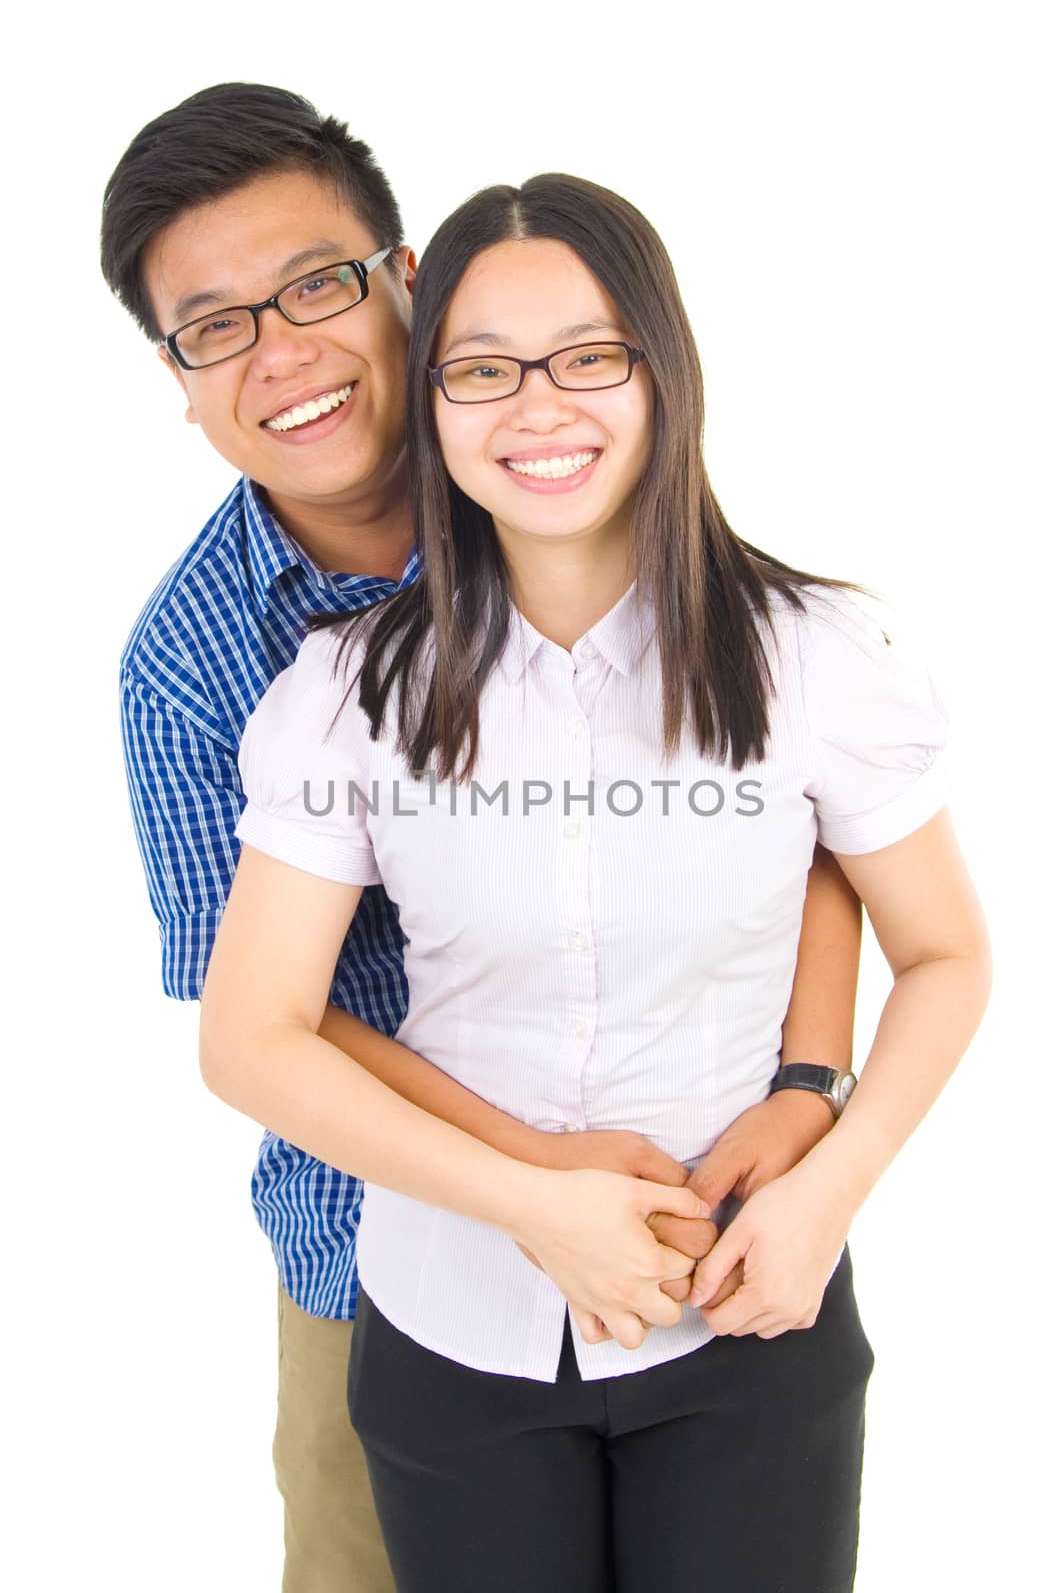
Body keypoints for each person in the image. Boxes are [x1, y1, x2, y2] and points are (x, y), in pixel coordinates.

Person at [105, 84, 864, 1593]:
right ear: (181, 380)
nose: (283, 354)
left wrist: (805, 1080)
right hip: (380, 1244)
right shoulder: (195, 664)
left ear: (407, 288)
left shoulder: (575, 486)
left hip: (685, 1210)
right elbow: (267, 1017)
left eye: (315, 284)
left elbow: (803, 802)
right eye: (215, 327)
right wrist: (542, 1184)